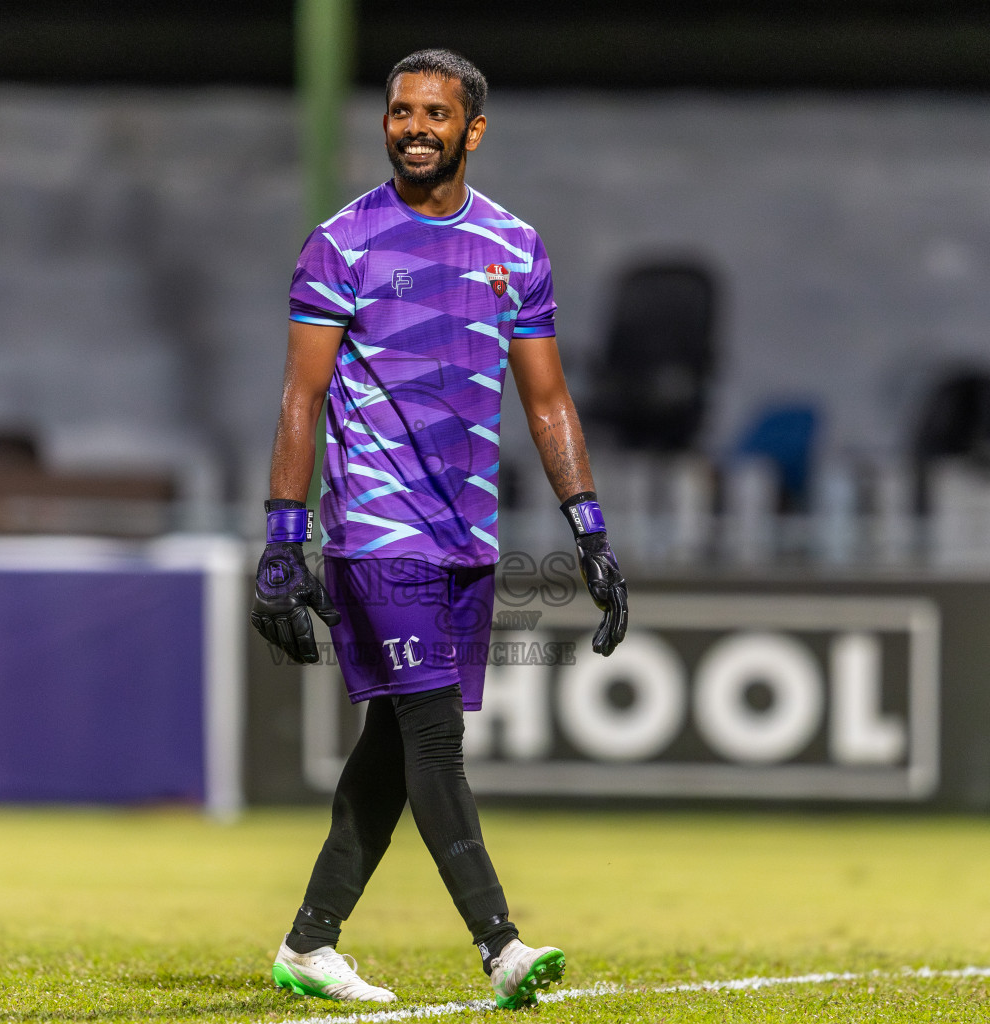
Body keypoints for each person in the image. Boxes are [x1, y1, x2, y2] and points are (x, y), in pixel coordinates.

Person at [250, 48, 628, 1009]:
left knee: (392, 740)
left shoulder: (516, 247)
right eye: (399, 111)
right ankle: (500, 945)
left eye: (434, 113)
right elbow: (303, 395)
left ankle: (309, 942)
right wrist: (282, 540)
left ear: (473, 129)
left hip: (468, 537)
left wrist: (589, 531)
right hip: (377, 533)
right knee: (433, 735)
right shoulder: (341, 243)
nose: (414, 127)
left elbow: (547, 401)